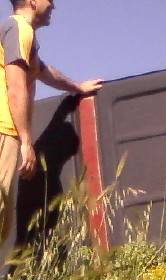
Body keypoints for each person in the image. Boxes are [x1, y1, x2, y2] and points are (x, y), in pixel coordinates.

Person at [0, 0, 101, 249]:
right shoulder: (19, 29)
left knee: (4, 219)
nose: (54, 4)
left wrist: (77, 87)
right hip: (4, 129)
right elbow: (16, 87)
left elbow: (43, 71)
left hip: (7, 130)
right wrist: (26, 141)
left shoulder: (22, 34)